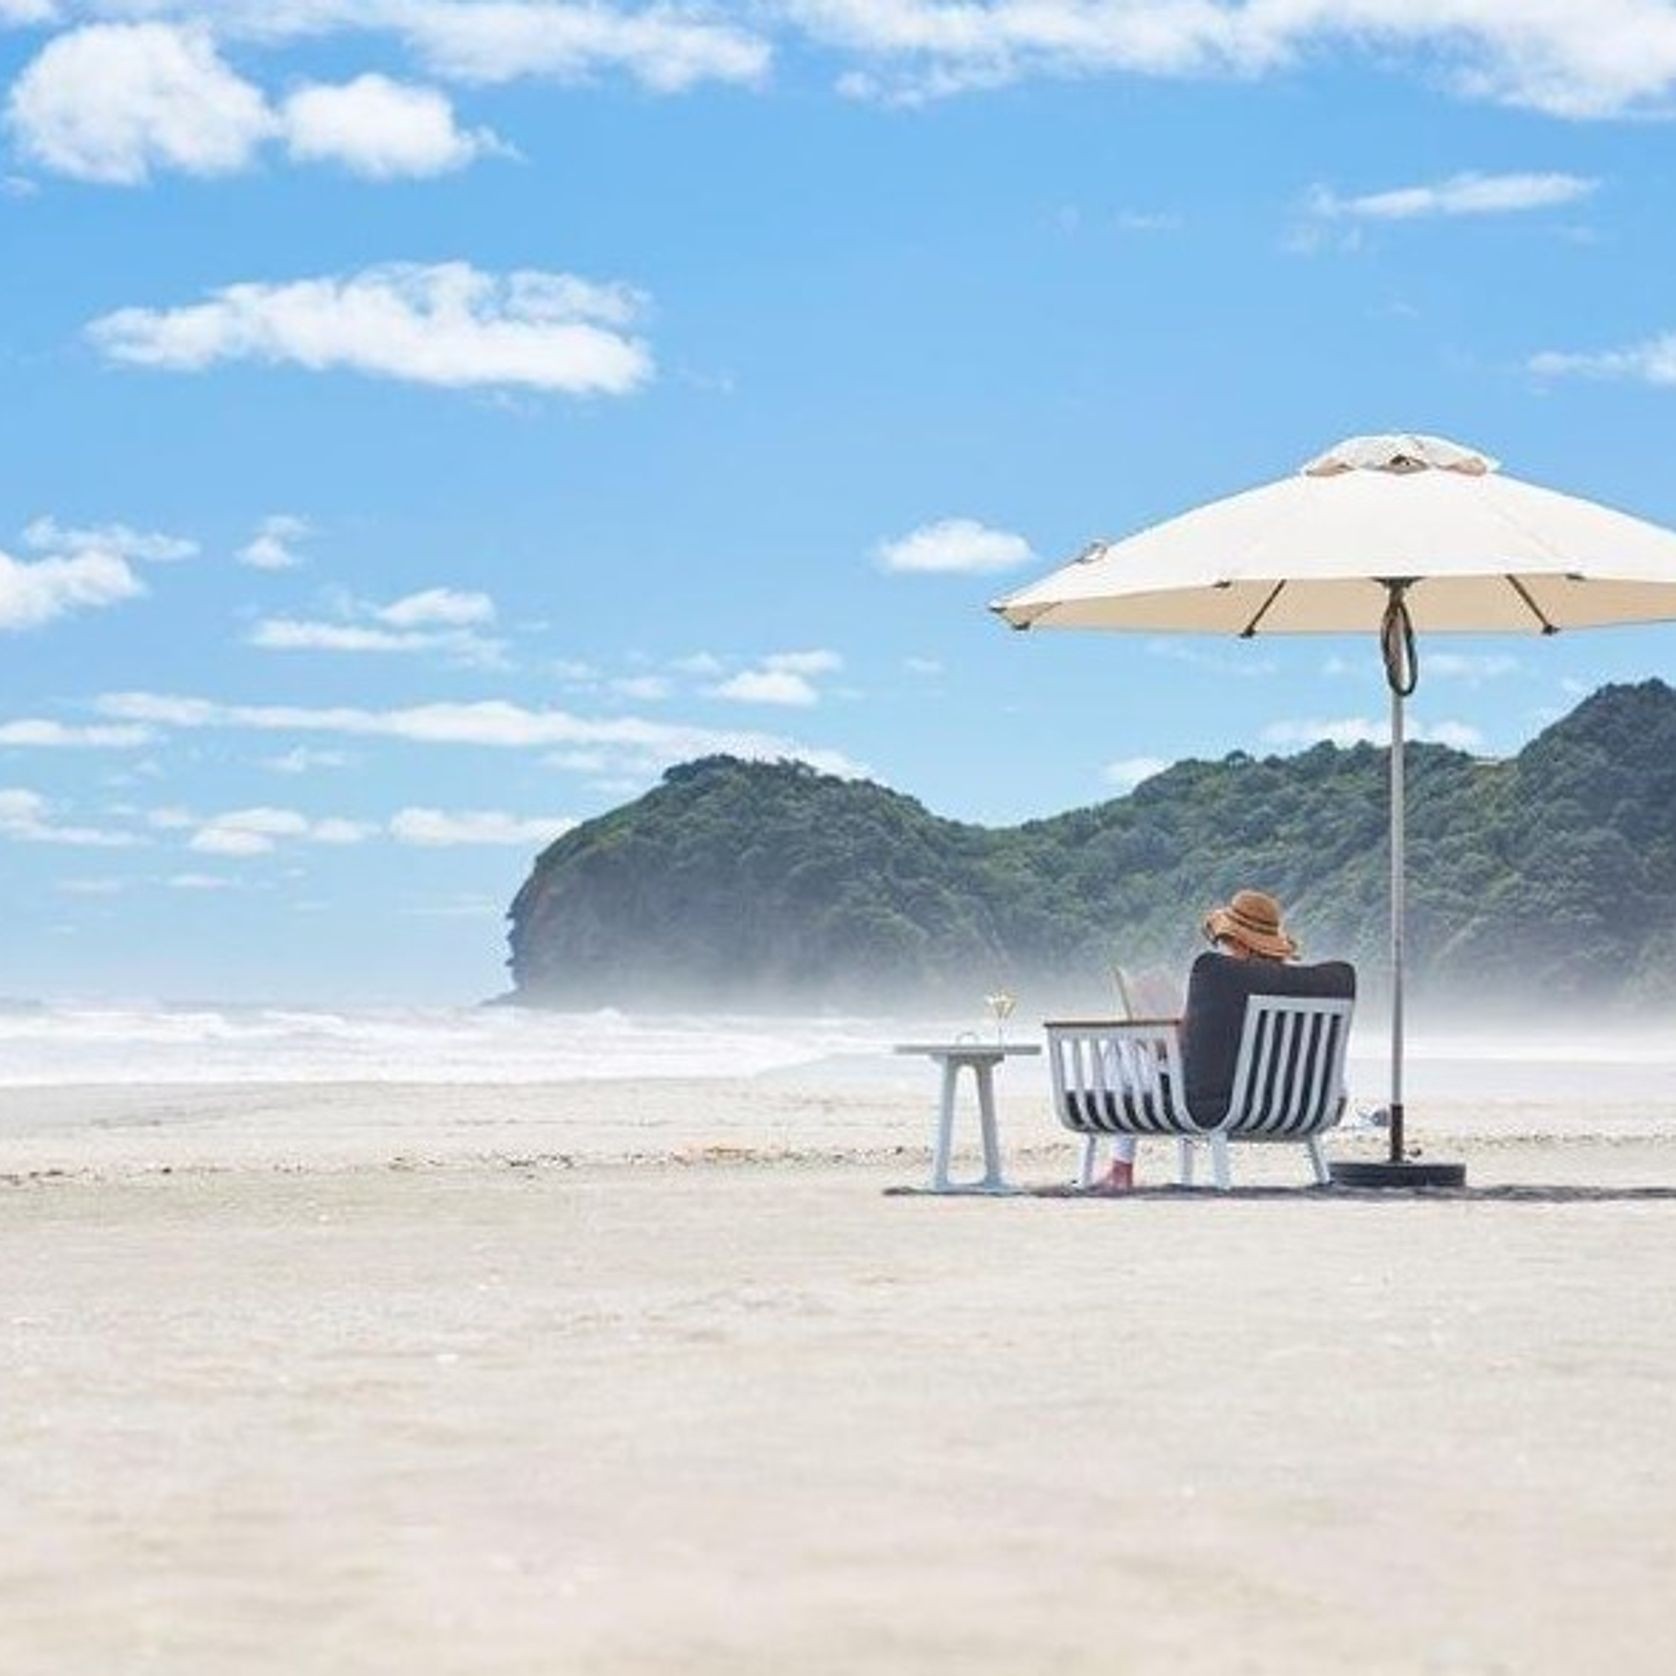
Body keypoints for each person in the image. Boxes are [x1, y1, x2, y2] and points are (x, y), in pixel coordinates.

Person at [1091, 889, 1298, 1192]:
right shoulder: (1298, 982)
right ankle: (1120, 1168)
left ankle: (1120, 1168)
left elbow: (1198, 1045)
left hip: (1218, 1096)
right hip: (1289, 1096)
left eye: (1227, 939)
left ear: (1238, 940)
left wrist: (1165, 1028)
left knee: (1123, 1045)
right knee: (1139, 1048)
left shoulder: (1221, 978)